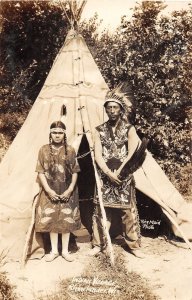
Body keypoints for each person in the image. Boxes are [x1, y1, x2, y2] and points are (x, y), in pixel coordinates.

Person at [89, 85, 145, 258]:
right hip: (104, 177)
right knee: (101, 211)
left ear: (121, 110)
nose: (112, 111)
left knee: (127, 211)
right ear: (105, 109)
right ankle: (99, 244)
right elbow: (98, 155)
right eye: (109, 107)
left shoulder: (129, 129)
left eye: (115, 107)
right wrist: (107, 173)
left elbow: (132, 153)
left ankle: (133, 245)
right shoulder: (98, 130)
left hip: (123, 176)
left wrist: (119, 172)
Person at [35, 121, 81, 262]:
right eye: (54, 132)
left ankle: (65, 251)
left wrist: (70, 189)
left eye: (60, 133)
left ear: (64, 134)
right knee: (53, 219)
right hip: (50, 190)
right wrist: (48, 190)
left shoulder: (70, 150)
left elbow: (75, 171)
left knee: (65, 221)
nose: (57, 135)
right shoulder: (43, 150)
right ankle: (54, 251)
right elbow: (40, 172)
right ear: (50, 133)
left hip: (67, 189)